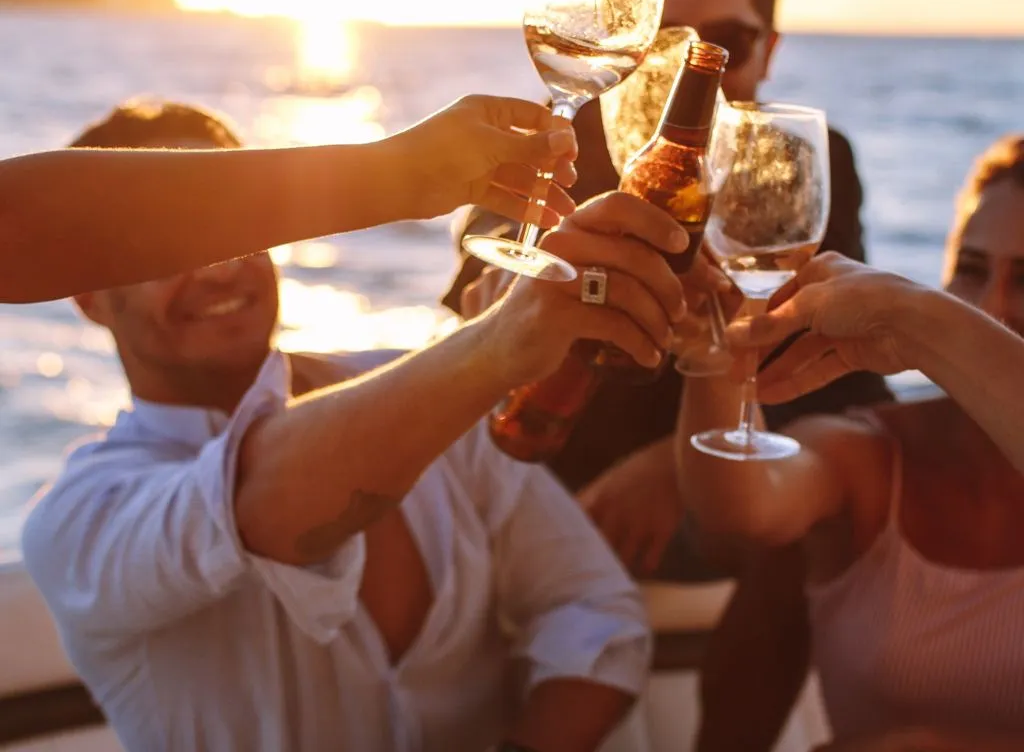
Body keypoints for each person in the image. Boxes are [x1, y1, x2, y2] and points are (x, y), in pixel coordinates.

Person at [21, 99, 698, 752]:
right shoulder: (78, 523)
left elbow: (593, 610)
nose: (221, 266)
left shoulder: (422, 386)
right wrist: (495, 347)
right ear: (89, 296)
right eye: (169, 245)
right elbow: (255, 506)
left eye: (233, 231)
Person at [445, 0, 889, 579]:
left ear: (768, 51)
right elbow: (484, 278)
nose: (691, 68)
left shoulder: (807, 161)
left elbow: (840, 374)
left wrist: (672, 468)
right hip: (543, 488)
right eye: (664, 39)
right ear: (625, 41)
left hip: (725, 512)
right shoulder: (567, 142)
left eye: (727, 41)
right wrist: (528, 286)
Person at [679, 135, 1024, 749]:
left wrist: (915, 318)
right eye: (972, 270)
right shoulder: (869, 456)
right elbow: (740, 506)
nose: (993, 306)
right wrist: (717, 346)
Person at [0, 92, 577, 303]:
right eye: (180, 253)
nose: (222, 268)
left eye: (237, 244)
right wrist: (400, 176)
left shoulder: (355, 378)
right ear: (89, 299)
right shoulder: (96, 503)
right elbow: (18, 229)